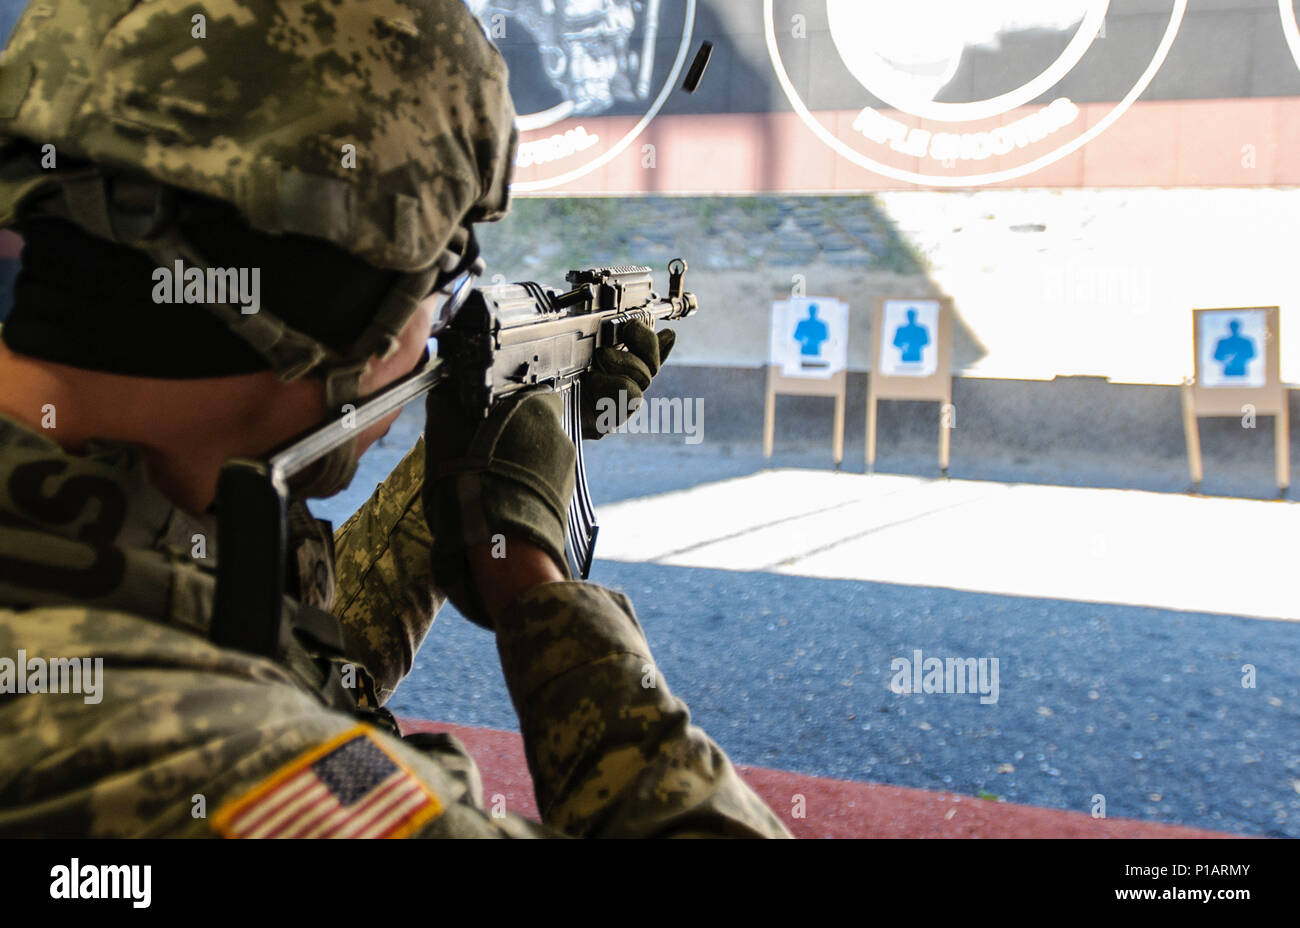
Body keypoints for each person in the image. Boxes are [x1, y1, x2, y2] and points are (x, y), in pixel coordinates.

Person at [0, 0, 789, 838]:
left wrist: (461, 479)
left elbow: (250, 655)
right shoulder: (215, 773)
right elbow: (250, 713)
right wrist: (534, 584)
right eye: (442, 281)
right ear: (350, 314)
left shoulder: (107, 539)